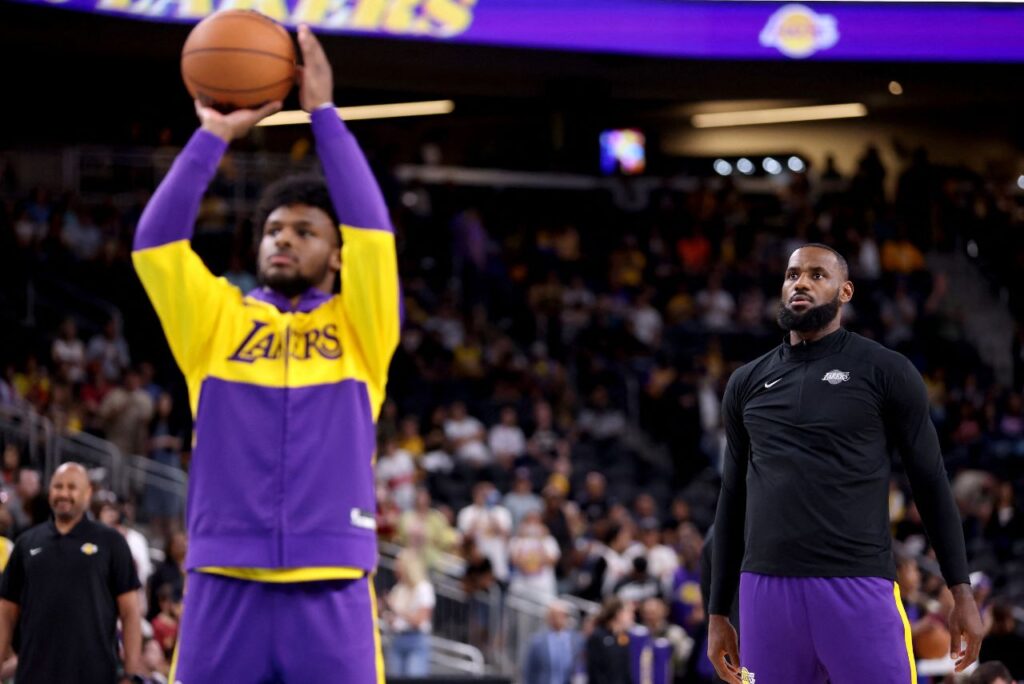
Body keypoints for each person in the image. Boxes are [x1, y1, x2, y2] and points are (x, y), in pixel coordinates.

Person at [131, 25, 400, 683]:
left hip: (333, 581)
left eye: (305, 231)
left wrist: (325, 117)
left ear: (337, 255)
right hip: (223, 581)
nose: (283, 239)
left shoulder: (363, 327)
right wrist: (214, 135)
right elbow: (156, 243)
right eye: (274, 229)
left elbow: (373, 232)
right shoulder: (216, 320)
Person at [708, 244, 984, 683]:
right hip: (764, 590)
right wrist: (718, 610)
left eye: (818, 275)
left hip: (857, 583)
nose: (801, 282)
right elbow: (732, 498)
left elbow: (930, 482)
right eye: (793, 274)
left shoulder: (885, 370)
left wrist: (960, 591)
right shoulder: (746, 382)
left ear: (845, 291)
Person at [0, 462, 142, 683]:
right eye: (58, 487)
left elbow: (131, 613)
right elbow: (6, 613)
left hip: (95, 676)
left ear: (87, 493)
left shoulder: (111, 542)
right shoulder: (26, 543)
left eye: (72, 487)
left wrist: (131, 675)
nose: (63, 493)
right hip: (34, 675)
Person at [383, 550, 435, 677]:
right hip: (397, 639)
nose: (395, 569)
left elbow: (419, 620)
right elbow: (395, 618)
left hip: (415, 640)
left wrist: (396, 608)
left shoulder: (424, 588)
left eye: (398, 565)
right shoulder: (398, 588)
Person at [523, 599, 581, 684]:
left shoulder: (576, 639)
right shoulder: (537, 641)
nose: (557, 619)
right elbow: (530, 670)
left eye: (561, 615)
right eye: (553, 616)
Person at [585, 596, 635, 684]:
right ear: (618, 613)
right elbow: (595, 672)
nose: (632, 616)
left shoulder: (625, 637)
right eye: (628, 612)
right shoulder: (598, 637)